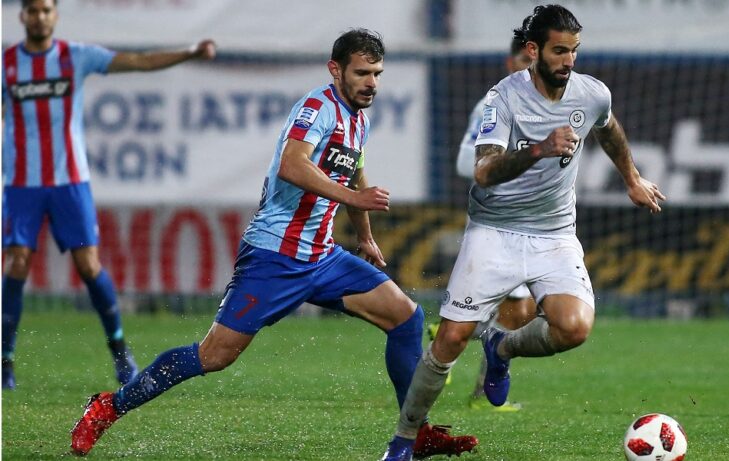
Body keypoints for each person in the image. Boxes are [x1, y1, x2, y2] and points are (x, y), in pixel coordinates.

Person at [70, 29, 477, 458]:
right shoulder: (317, 108)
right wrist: (356, 199)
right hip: (274, 255)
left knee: (407, 318)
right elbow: (292, 165)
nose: (371, 83)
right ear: (336, 70)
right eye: (362, 73)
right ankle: (108, 407)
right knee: (214, 355)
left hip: (322, 258)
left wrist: (365, 236)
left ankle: (414, 433)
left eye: (377, 73)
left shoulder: (359, 119)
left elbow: (354, 171)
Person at [381, 5, 666, 460]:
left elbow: (609, 127)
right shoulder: (502, 99)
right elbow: (484, 171)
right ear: (533, 50)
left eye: (573, 51)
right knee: (450, 339)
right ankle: (403, 441)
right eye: (559, 51)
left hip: (554, 233)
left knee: (574, 327)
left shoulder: (591, 94)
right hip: (494, 230)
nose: (568, 61)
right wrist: (538, 149)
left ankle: (501, 346)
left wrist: (632, 179)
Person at [1, 0, 216, 390]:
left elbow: (138, 61)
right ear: (22, 16)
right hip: (21, 184)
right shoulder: (7, 63)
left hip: (70, 182)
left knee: (88, 266)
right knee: (15, 264)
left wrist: (190, 52)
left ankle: (119, 349)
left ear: (55, 15)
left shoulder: (74, 57)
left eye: (46, 10)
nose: (39, 17)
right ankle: (5, 360)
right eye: (33, 10)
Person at [443, 15, 538, 412]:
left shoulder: (549, 104)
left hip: (530, 221)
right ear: (510, 63)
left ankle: (480, 382)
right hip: (496, 222)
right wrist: (511, 162)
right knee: (511, 311)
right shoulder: (493, 103)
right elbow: (464, 160)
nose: (530, 69)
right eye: (524, 61)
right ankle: (479, 389)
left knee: (521, 311)